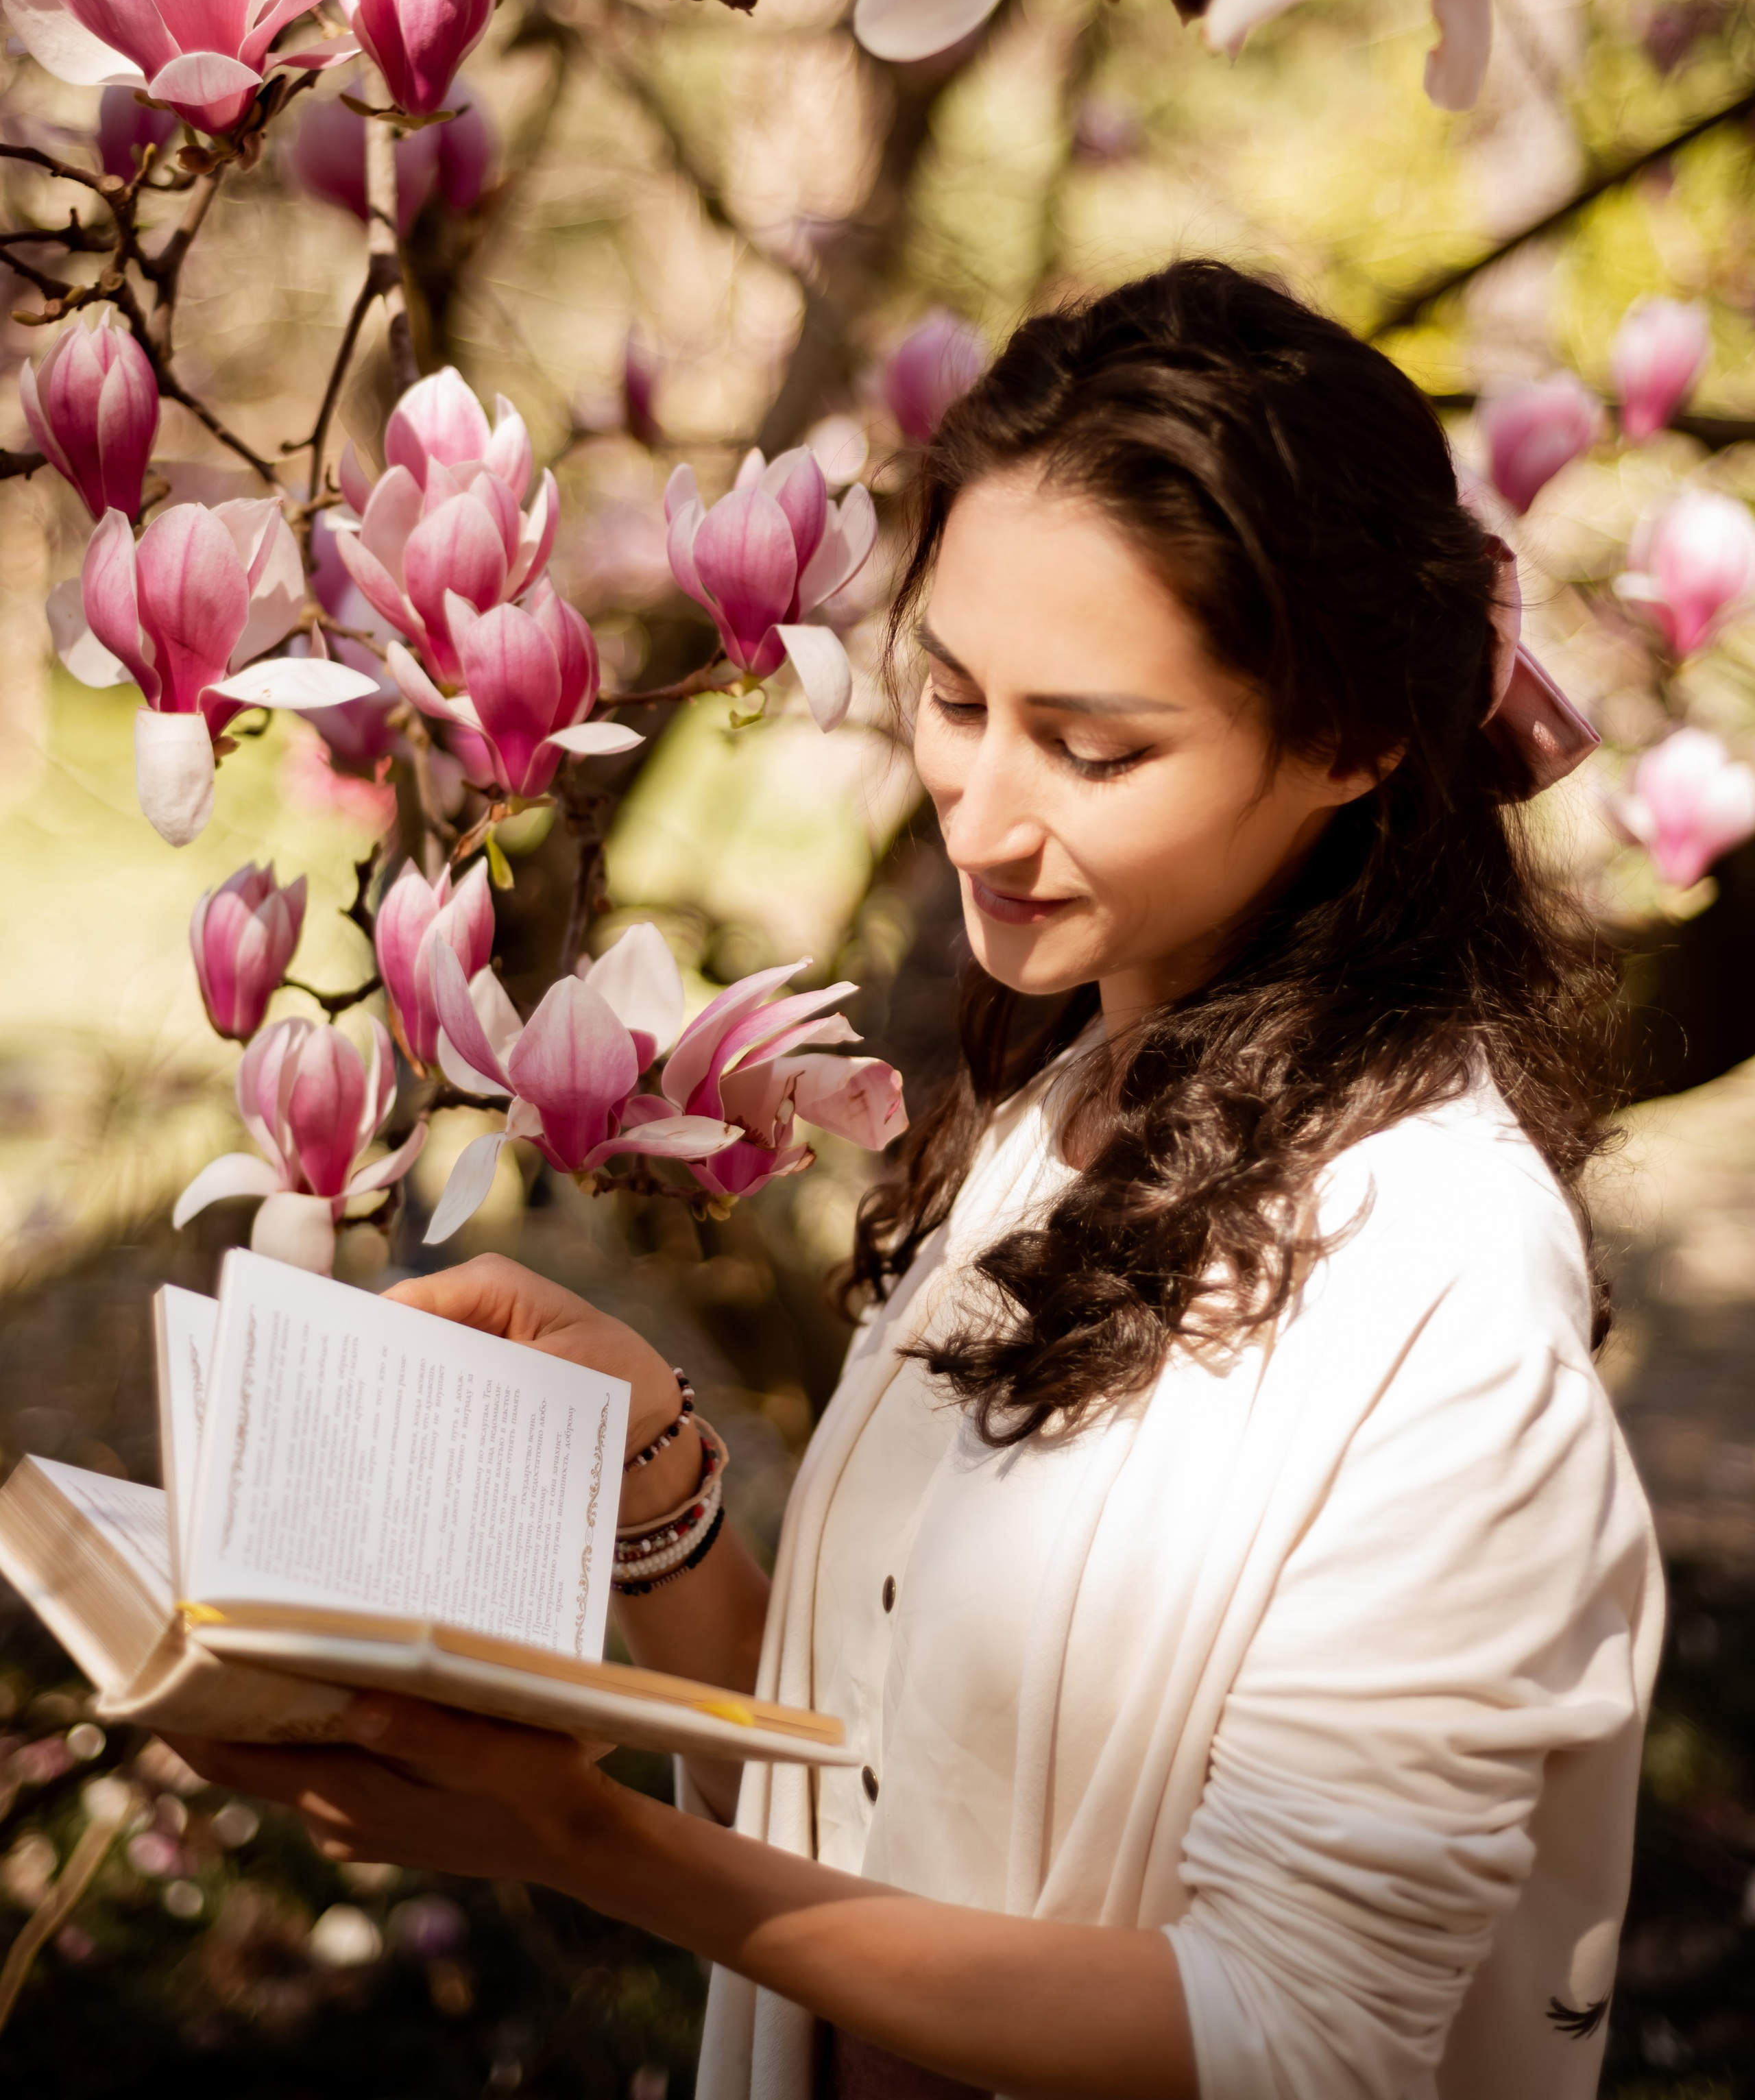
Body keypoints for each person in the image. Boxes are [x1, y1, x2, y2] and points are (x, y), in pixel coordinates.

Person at [180, 264, 1662, 2100]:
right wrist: (648, 1479)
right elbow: (868, 1798)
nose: (976, 805)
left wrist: (577, 1839)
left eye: (1092, 744)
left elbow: (1289, 2036)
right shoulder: (1074, 1100)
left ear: (1356, 740)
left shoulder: (1439, 1305)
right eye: (954, 696)